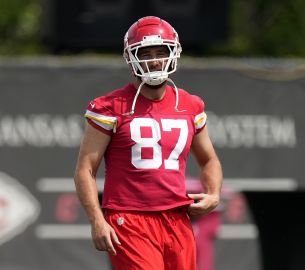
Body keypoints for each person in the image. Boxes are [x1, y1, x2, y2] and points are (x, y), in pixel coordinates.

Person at [73, 16, 223, 270]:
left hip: (177, 218)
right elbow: (85, 169)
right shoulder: (109, 107)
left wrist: (214, 194)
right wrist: (97, 219)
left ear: (173, 54)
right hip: (129, 218)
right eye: (145, 53)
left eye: (161, 52)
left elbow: (209, 159)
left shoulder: (190, 105)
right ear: (131, 57)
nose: (154, 60)